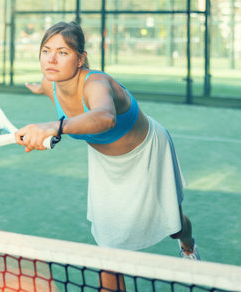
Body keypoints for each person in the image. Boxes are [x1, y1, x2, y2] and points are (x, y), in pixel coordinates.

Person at [14, 21, 200, 291]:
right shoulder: (50, 81)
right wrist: (41, 98)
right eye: (46, 50)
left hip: (147, 153)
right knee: (109, 243)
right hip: (105, 165)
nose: (51, 59)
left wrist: (55, 126)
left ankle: (188, 245)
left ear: (80, 59)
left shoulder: (97, 83)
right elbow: (49, 90)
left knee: (173, 224)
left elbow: (105, 117)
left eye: (63, 52)